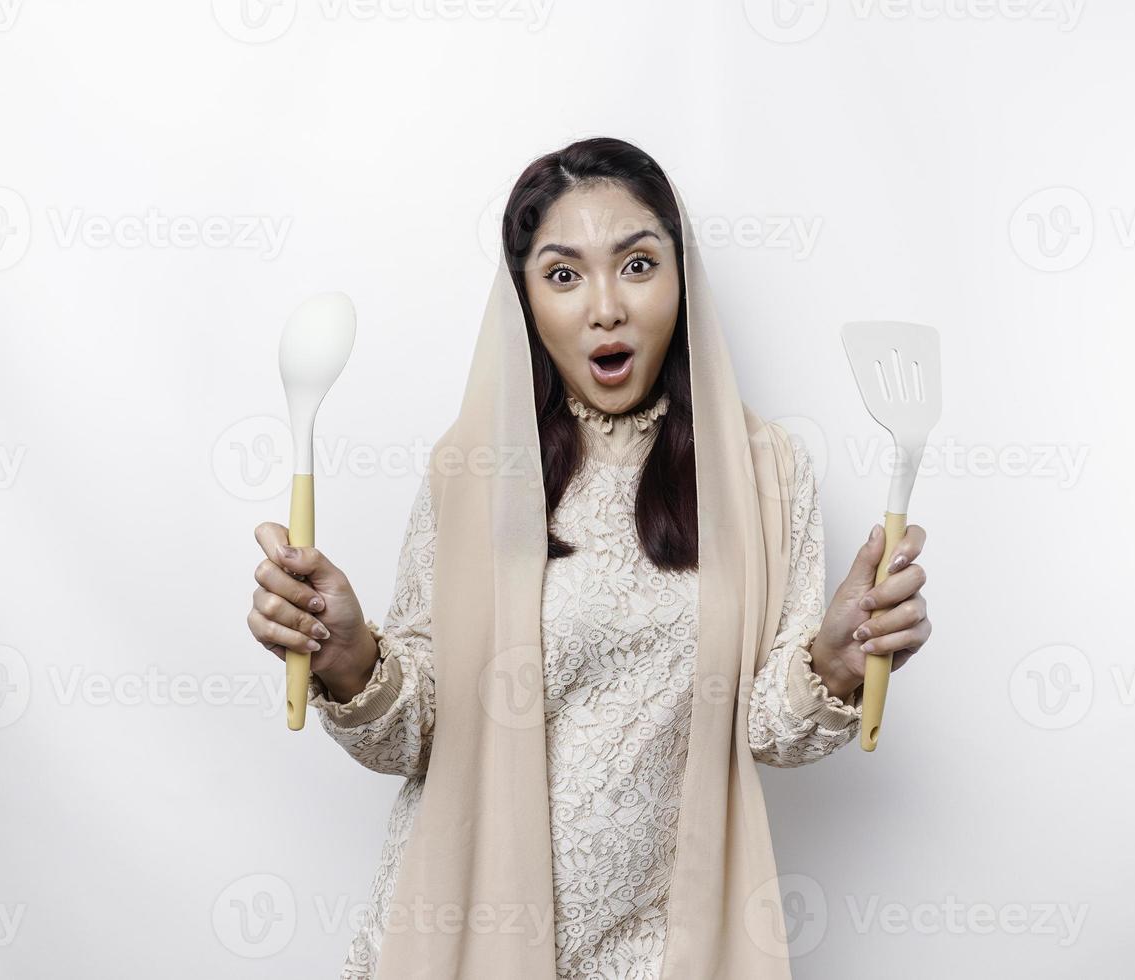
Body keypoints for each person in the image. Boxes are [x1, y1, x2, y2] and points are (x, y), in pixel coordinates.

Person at [246, 137, 933, 979]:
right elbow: (415, 735)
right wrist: (348, 658)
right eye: (563, 274)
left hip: (661, 950)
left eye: (637, 264)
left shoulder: (765, 470)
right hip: (467, 937)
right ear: (525, 300)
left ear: (683, 279)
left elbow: (767, 732)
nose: (605, 307)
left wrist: (836, 660)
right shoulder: (473, 467)